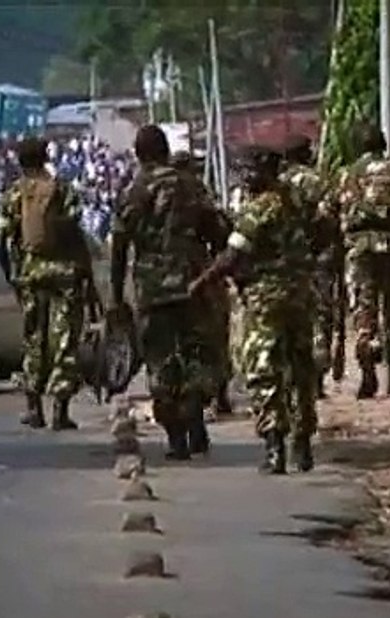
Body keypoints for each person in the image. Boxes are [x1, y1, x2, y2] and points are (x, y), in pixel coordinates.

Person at [189, 146, 318, 473]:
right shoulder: (297, 203)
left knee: (264, 370)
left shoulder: (260, 209)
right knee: (301, 368)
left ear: (264, 170)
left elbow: (232, 256)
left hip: (265, 299)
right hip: (301, 293)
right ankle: (302, 443)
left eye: (247, 170)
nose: (243, 178)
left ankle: (275, 445)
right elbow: (324, 232)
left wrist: (201, 283)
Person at [109, 126, 227, 459]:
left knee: (160, 361)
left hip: (152, 288)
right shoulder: (190, 186)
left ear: (138, 153)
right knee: (198, 354)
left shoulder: (134, 191)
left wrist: (117, 297)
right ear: (164, 150)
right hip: (193, 282)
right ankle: (194, 413)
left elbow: (119, 245)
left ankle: (176, 436)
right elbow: (218, 231)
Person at [0, 137, 93, 430]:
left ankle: (34, 409)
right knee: (64, 340)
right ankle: (60, 411)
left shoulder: (14, 193)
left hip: (30, 274)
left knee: (34, 338)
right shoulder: (62, 189)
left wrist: (11, 273)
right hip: (65, 274)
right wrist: (85, 274)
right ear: (45, 158)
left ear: (20, 162)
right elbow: (76, 233)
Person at [336, 121, 390, 398]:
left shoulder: (348, 174)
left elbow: (340, 212)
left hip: (359, 249)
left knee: (363, 312)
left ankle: (368, 373)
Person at [170, 150, 235, 416]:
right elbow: (221, 232)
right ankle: (217, 394)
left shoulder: (147, 190)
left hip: (158, 279)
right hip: (197, 273)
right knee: (214, 335)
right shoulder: (197, 194)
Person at [281, 135, 342, 399]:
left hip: (287, 262)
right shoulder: (317, 182)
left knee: (291, 318)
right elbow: (330, 219)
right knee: (320, 316)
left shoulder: (278, 184)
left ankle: (292, 376)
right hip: (317, 259)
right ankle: (316, 380)